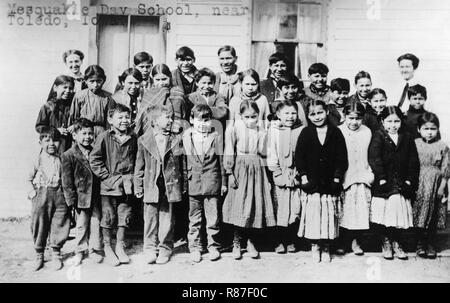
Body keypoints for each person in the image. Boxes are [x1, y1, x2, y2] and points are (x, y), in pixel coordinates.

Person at [295, 100, 348, 262]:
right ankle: (315, 245)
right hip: (312, 183)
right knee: (314, 215)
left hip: (330, 183)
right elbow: (299, 157)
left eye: (319, 112)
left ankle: (326, 246)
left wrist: (337, 178)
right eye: (312, 114)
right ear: (308, 116)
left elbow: (342, 158)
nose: (317, 117)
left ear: (326, 112)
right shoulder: (305, 133)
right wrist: (304, 177)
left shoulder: (336, 132)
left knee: (328, 215)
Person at [223, 100, 276, 260]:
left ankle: (251, 242)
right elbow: (229, 150)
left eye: (254, 116)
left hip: (257, 167)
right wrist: (230, 173)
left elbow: (264, 152)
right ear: (240, 116)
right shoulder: (234, 128)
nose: (251, 120)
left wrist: (266, 133)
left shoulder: (260, 129)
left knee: (254, 204)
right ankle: (237, 242)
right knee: (240, 205)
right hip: (240, 167)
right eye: (247, 117)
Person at [134, 103, 186, 265]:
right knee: (150, 219)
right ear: (155, 121)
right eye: (167, 117)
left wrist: (182, 184)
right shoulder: (143, 140)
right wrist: (138, 185)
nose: (171, 120)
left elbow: (182, 164)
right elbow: (139, 165)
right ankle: (150, 248)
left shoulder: (176, 139)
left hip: (169, 185)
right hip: (151, 185)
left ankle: (165, 248)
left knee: (167, 219)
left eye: (171, 117)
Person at [89, 103, 138, 266]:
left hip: (128, 186)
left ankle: (119, 246)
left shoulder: (134, 137)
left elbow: (138, 159)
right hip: (109, 187)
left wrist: (134, 180)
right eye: (120, 117)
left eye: (127, 117)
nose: (124, 120)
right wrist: (107, 178)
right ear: (110, 120)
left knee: (125, 216)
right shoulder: (104, 137)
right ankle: (107, 248)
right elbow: (94, 160)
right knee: (108, 217)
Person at [369, 106, 420, 260]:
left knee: (396, 212)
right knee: (385, 214)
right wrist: (382, 177)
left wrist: (410, 179)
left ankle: (397, 241)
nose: (393, 125)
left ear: (401, 121)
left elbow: (413, 161)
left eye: (396, 121)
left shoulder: (406, 137)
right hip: (384, 182)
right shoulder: (378, 136)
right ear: (383, 122)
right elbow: (375, 158)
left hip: (401, 182)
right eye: (389, 121)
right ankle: (385, 241)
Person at [183, 104, 227, 263]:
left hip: (212, 182)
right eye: (198, 120)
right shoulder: (186, 136)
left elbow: (221, 161)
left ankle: (214, 246)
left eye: (206, 120)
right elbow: (182, 162)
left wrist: (223, 182)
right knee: (194, 219)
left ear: (211, 121)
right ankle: (195, 247)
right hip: (193, 183)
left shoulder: (216, 136)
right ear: (191, 120)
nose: (203, 124)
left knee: (213, 218)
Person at [28, 127, 70, 271]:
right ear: (40, 142)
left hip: (58, 194)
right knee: (39, 223)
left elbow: (65, 178)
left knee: (60, 221)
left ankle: (56, 253)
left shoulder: (61, 159)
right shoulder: (37, 159)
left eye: (55, 140)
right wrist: (32, 193)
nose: (52, 144)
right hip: (42, 195)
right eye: (47, 140)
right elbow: (28, 178)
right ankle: (39, 254)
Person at [61, 118, 103, 265]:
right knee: (81, 225)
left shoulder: (95, 151)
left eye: (90, 133)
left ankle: (94, 249)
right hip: (81, 198)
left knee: (95, 222)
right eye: (83, 133)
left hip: (96, 196)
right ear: (74, 135)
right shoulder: (68, 155)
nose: (87, 137)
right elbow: (67, 181)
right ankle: (79, 251)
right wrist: (70, 200)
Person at [337, 102, 374, 256]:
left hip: (363, 176)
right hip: (346, 177)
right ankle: (342, 242)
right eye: (350, 118)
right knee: (345, 211)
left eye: (358, 118)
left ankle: (356, 242)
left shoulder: (367, 131)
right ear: (344, 116)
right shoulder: (339, 131)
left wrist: (369, 174)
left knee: (360, 211)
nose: (354, 122)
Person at [267, 100, 304, 254]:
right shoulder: (275, 130)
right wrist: (276, 172)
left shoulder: (301, 129)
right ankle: (279, 241)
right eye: (286, 113)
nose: (290, 116)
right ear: (278, 115)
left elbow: (303, 153)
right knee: (280, 209)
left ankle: (291, 240)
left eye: (293, 113)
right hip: (281, 174)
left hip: (296, 176)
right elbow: (272, 152)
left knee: (295, 208)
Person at [413, 113, 450, 259]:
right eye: (425, 128)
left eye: (433, 129)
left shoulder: (443, 146)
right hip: (420, 182)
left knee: (433, 214)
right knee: (420, 213)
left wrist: (442, 186)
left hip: (436, 183)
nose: (429, 132)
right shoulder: (415, 143)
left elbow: (446, 169)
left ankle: (431, 243)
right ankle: (420, 243)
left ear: (437, 129)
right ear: (419, 129)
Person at [136, 64, 187, 137]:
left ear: (170, 77)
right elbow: (142, 116)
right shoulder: (149, 94)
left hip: (173, 133)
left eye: (164, 79)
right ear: (153, 79)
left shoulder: (177, 92)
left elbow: (181, 114)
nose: (161, 83)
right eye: (157, 80)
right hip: (151, 133)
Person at [69, 65, 114, 137]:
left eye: (99, 81)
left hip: (101, 132)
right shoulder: (79, 96)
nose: (95, 85)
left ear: (104, 80)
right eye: (92, 81)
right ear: (86, 81)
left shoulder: (108, 97)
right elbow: (74, 117)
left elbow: (110, 120)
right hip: (83, 131)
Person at [36, 75, 75, 153]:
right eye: (65, 87)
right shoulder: (47, 107)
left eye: (70, 88)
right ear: (55, 88)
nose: (67, 91)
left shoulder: (73, 106)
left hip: (69, 145)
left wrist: (74, 126)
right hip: (52, 145)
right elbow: (39, 127)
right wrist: (55, 131)